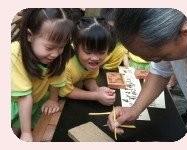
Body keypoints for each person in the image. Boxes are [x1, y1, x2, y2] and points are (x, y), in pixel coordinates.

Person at [107, 8, 187, 134]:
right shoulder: (171, 40)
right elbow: (160, 72)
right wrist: (134, 110)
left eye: (160, 57)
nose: (156, 62)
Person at [11, 8, 74, 141]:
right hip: (14, 103)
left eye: (61, 47)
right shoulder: (15, 54)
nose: (56, 54)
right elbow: (23, 97)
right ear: (29, 35)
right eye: (49, 48)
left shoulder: (57, 56)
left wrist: (52, 99)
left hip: (35, 101)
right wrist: (26, 132)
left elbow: (56, 78)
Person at [59, 17, 116, 106]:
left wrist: (97, 90)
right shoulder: (66, 66)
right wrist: (96, 95)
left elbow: (88, 77)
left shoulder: (91, 63)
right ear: (75, 46)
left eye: (101, 52)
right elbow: (66, 92)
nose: (95, 58)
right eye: (88, 52)